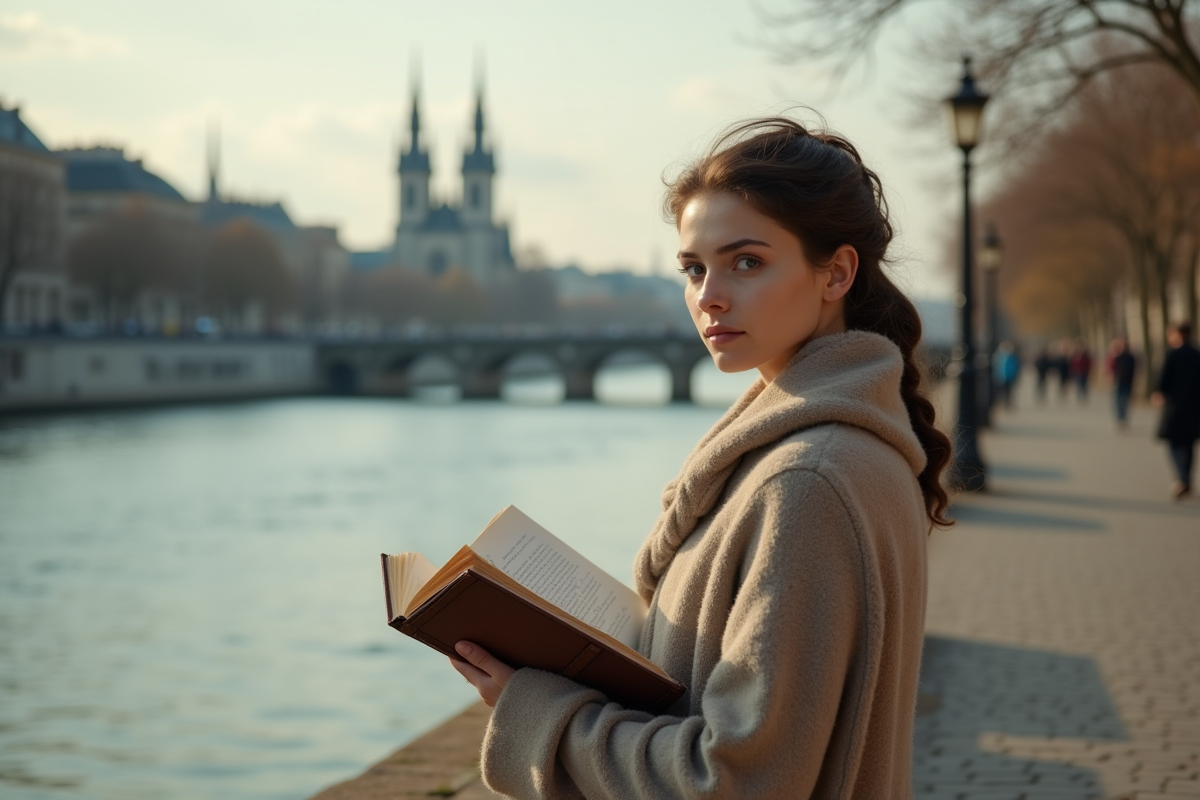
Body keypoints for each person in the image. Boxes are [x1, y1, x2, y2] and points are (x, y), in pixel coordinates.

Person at [448, 118, 953, 798]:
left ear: (836, 273)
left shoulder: (806, 480)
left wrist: (539, 714)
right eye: (694, 269)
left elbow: (732, 780)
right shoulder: (827, 450)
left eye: (746, 262)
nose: (708, 295)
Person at [1152, 323, 1200, 499]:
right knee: (1189, 443)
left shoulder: (1171, 354)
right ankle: (1186, 479)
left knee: (1174, 442)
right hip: (1194, 406)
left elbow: (1163, 377)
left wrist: (1158, 392)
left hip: (1174, 406)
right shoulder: (1197, 354)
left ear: (1177, 335)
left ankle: (1181, 478)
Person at [1106, 337, 1137, 429]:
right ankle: (1119, 418)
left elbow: (1134, 370)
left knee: (1125, 401)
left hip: (1128, 382)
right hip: (1118, 382)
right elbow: (1110, 367)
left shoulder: (1131, 358)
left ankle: (1124, 418)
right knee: (1117, 401)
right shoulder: (1116, 357)